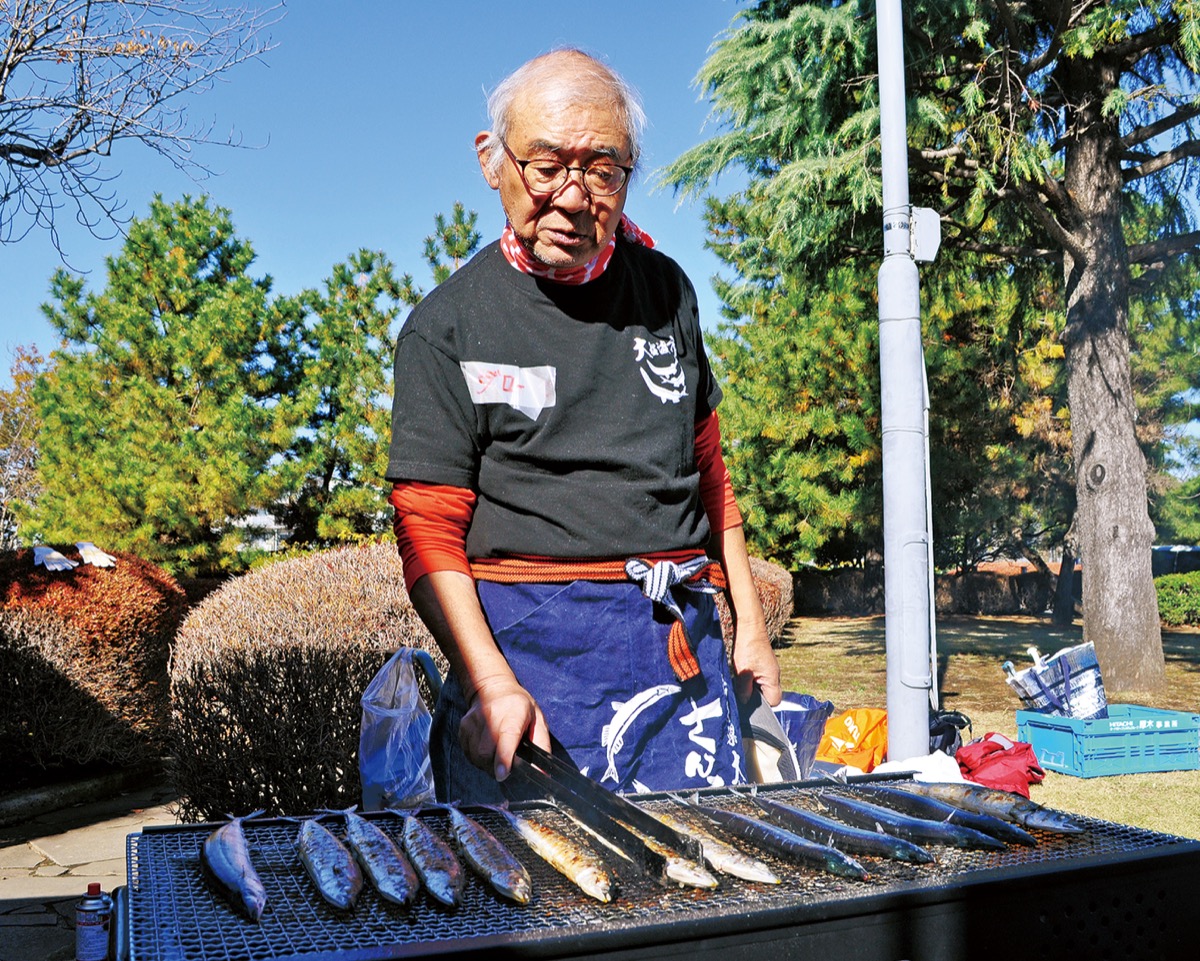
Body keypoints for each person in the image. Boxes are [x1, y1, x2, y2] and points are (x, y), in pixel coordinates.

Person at [388, 48, 781, 802]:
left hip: (681, 650)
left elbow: (709, 473)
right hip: (527, 664)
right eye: (546, 166)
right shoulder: (447, 326)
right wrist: (488, 682)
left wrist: (751, 628)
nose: (573, 198)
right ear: (492, 160)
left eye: (602, 171)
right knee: (537, 873)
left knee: (695, 861)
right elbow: (427, 526)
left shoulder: (667, 291)